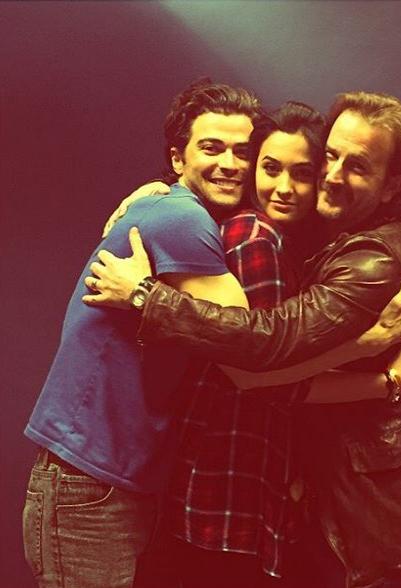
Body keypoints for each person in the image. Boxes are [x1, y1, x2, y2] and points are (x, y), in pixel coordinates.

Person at [84, 90, 401, 587]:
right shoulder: (280, 233)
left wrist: (146, 298)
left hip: (347, 503)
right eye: (331, 157)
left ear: (392, 184)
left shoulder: (365, 259)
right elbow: (254, 371)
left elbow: (266, 349)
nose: (331, 176)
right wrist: (164, 190)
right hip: (261, 490)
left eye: (355, 166)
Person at [21, 80, 264, 588]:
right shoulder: (183, 218)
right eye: (212, 147)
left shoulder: (171, 208)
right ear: (179, 158)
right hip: (90, 484)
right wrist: (367, 351)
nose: (230, 164)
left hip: (107, 481)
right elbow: (245, 342)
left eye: (242, 151)